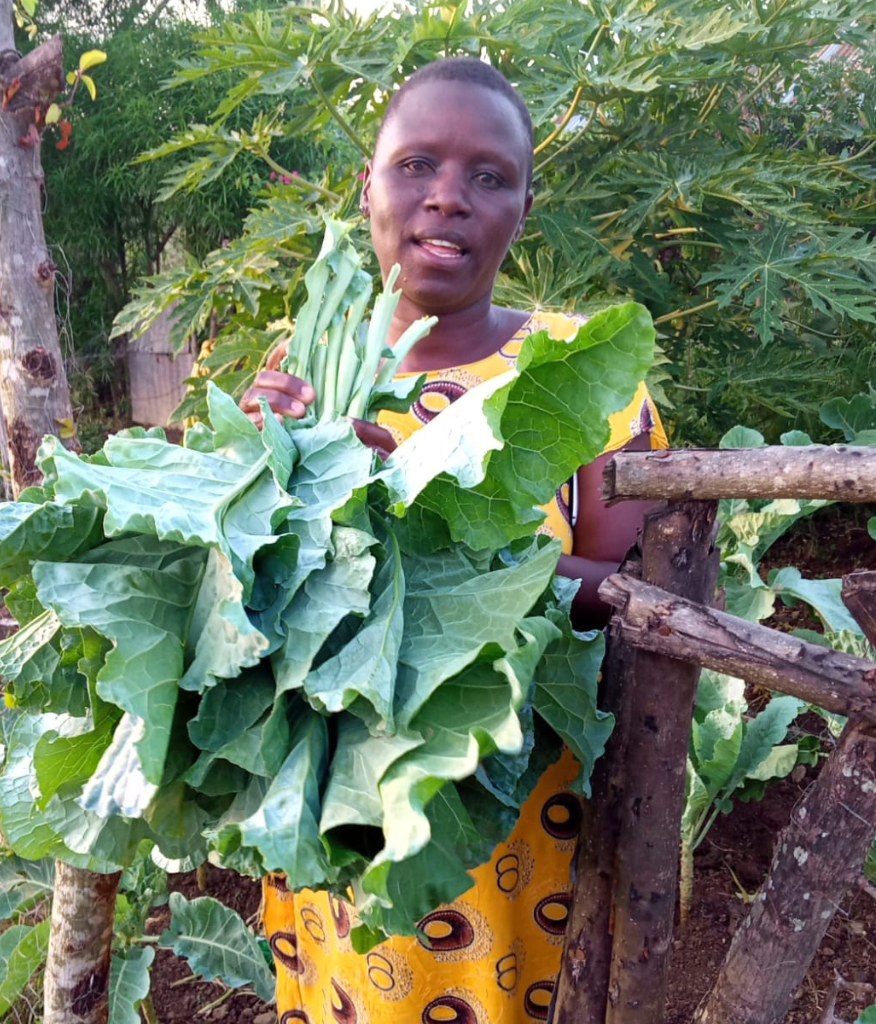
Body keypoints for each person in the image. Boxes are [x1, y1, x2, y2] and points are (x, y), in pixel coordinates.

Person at [240, 56, 666, 1024]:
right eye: (416, 164)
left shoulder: (580, 366)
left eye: (488, 176)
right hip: (334, 799)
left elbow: (634, 593)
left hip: (515, 815)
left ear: (521, 204)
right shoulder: (302, 370)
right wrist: (251, 471)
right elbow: (240, 606)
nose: (447, 198)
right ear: (369, 186)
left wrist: (408, 526)